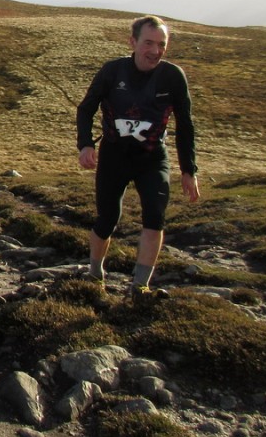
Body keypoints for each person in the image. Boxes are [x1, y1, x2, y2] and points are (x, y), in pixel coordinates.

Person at [76, 15, 200, 304]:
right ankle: (95, 273)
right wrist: (84, 145)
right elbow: (86, 109)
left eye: (161, 45)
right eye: (148, 43)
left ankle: (140, 287)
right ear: (132, 42)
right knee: (107, 219)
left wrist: (188, 170)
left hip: (152, 158)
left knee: (155, 217)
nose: (155, 51)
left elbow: (186, 125)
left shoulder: (173, 76)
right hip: (114, 156)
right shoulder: (112, 71)